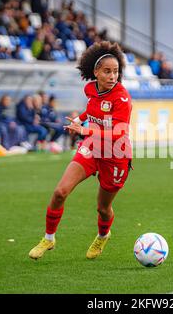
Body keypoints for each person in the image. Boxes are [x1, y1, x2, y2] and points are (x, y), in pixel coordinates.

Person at [29, 41, 132, 260]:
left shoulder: (122, 98)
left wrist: (85, 131)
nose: (113, 76)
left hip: (116, 155)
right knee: (60, 192)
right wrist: (78, 120)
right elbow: (91, 110)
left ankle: (103, 235)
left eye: (116, 71)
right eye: (107, 71)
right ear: (96, 72)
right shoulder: (90, 89)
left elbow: (118, 133)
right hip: (92, 148)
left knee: (103, 209)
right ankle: (48, 238)